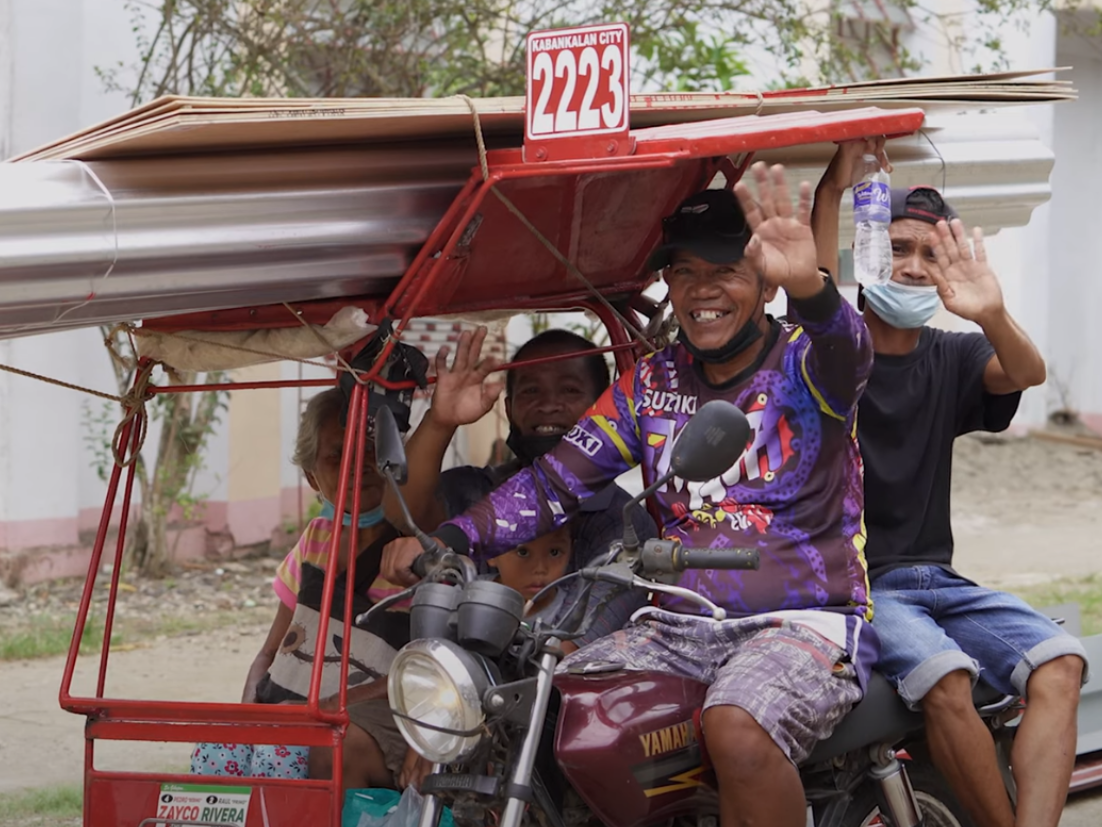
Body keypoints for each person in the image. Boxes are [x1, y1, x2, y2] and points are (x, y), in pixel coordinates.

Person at [384, 163, 876, 827]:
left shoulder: (806, 363)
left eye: (725, 269)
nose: (703, 289)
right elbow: (555, 482)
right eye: (685, 272)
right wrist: (449, 538)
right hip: (675, 627)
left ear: (763, 282)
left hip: (801, 623)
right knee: (539, 705)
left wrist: (812, 289)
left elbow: (851, 353)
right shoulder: (651, 384)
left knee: (735, 724)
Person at [812, 140, 1088, 827]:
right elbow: (809, 289)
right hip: (865, 585)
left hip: (940, 579)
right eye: (897, 246)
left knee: (1061, 663)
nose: (910, 265)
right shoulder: (838, 348)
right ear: (867, 252)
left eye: (930, 254)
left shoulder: (956, 351)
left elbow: (1021, 371)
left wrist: (990, 312)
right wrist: (829, 193)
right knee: (946, 676)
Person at [384, 326, 658, 653]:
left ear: (603, 407)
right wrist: (441, 421)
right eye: (531, 392)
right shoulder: (476, 490)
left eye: (570, 390)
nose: (549, 405)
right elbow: (403, 515)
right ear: (509, 408)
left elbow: (575, 647)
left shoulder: (624, 524)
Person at [196, 388, 413, 793]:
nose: (359, 465)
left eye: (371, 451)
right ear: (313, 476)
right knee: (217, 748)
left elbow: (421, 669)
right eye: (338, 454)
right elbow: (270, 651)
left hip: (367, 718)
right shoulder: (316, 538)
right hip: (294, 711)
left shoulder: (412, 548)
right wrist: (249, 712)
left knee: (281, 752)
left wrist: (327, 708)